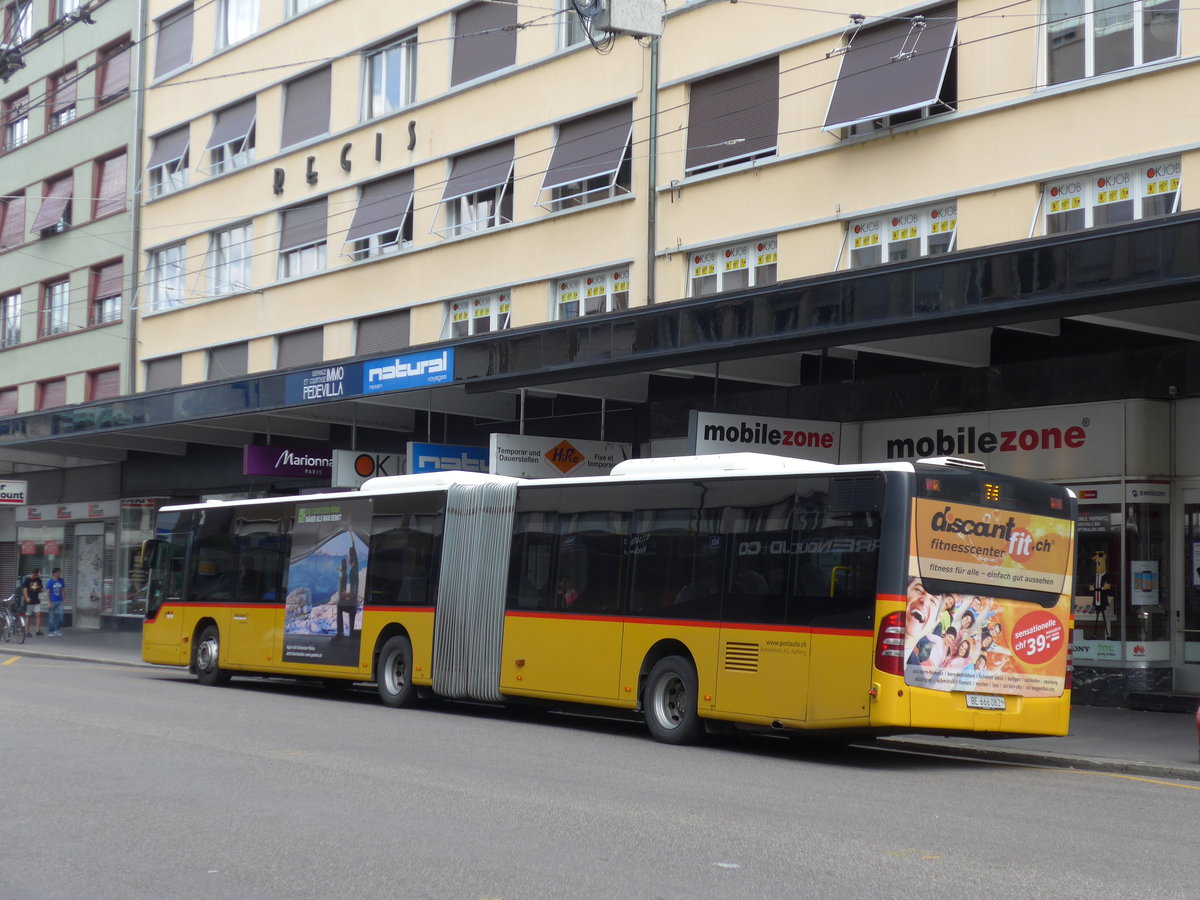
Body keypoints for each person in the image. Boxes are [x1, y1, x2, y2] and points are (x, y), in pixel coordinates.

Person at [21, 568, 44, 637]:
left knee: (38, 614)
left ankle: (38, 630)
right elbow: (24, 590)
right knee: (28, 616)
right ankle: (27, 631)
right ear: (33, 574)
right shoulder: (27, 580)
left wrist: (39, 587)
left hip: (36, 600)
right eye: (35, 575)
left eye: (37, 575)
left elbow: (40, 589)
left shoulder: (38, 580)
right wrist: (27, 597)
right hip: (29, 600)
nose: (36, 576)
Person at [45, 568, 65, 636]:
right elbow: (47, 592)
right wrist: (49, 602)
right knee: (51, 617)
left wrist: (64, 599)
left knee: (61, 615)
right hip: (52, 601)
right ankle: (51, 631)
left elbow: (62, 590)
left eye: (60, 572)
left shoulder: (61, 581)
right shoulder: (50, 582)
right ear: (54, 573)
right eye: (58, 572)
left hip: (60, 601)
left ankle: (58, 629)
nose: (59, 574)